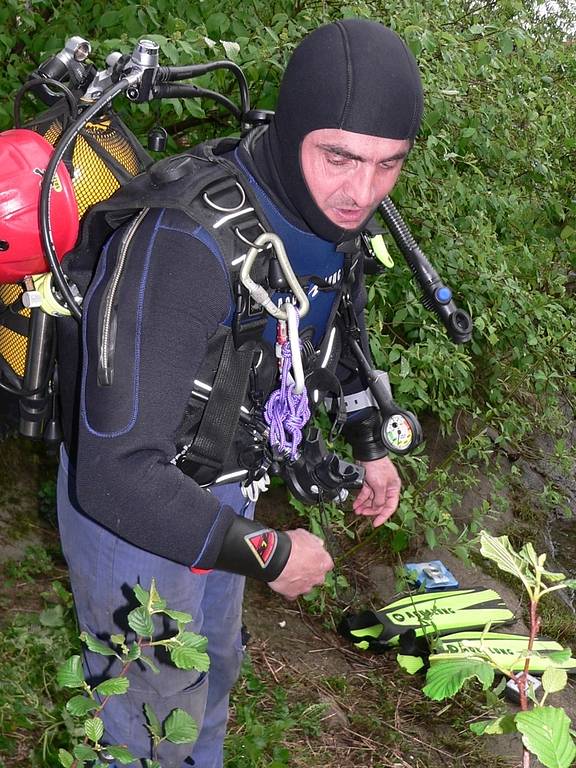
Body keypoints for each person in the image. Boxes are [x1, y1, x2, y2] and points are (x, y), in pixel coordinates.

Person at [56, 17, 423, 768]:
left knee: (212, 673)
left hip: (226, 489)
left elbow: (329, 319)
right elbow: (113, 473)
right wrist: (270, 553)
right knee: (142, 721)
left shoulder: (318, 206)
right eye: (341, 158)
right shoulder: (183, 246)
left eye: (390, 164)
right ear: (293, 133)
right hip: (139, 514)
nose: (362, 191)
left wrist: (368, 441)